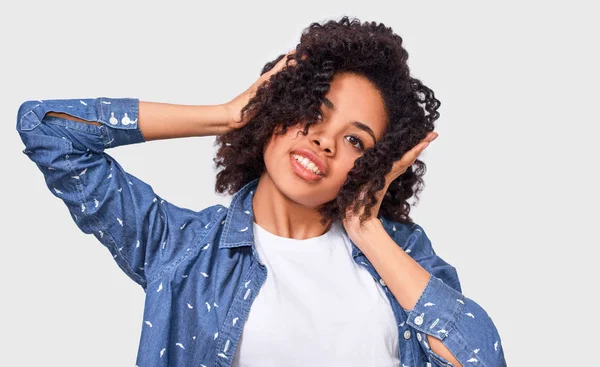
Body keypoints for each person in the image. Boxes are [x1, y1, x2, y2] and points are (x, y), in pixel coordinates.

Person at [16, 16, 506, 367]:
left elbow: (481, 358)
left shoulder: (400, 254)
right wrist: (223, 115)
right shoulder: (179, 247)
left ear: (376, 163)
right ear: (277, 106)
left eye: (356, 140)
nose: (324, 140)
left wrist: (366, 228)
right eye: (313, 112)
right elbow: (46, 130)